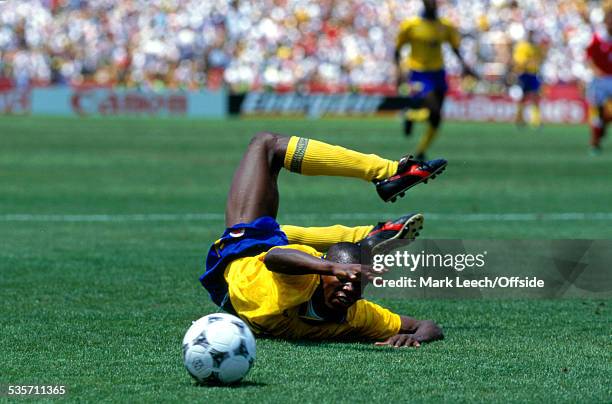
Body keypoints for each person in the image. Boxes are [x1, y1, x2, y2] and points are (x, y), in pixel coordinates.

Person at [199, 133, 446, 347]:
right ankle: (380, 191)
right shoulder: (303, 279)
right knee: (266, 147)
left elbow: (428, 326)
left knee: (265, 145)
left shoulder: (357, 315)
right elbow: (275, 257)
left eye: (357, 284)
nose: (349, 288)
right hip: (252, 254)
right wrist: (333, 267)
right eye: (343, 279)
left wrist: (414, 338)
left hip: (238, 262)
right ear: (320, 274)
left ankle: (383, 193)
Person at [395, 0, 476, 161]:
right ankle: (412, 116)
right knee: (434, 109)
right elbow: (397, 50)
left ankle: (420, 146)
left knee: (436, 118)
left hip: (439, 73)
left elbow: (454, 48)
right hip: (419, 74)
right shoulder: (410, 25)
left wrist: (465, 66)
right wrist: (398, 71)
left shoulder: (445, 26)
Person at [585, 8, 612, 155]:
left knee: (605, 115)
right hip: (599, 80)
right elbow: (589, 59)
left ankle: (602, 127)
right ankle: (594, 143)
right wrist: (597, 71)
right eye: (609, 21)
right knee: (596, 114)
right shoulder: (597, 39)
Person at [512, 30, 546, 128]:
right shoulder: (522, 47)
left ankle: (536, 121)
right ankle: (519, 119)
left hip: (533, 74)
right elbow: (519, 63)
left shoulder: (536, 47)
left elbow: (540, 59)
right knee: (522, 98)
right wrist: (530, 62)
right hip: (524, 74)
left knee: (535, 97)